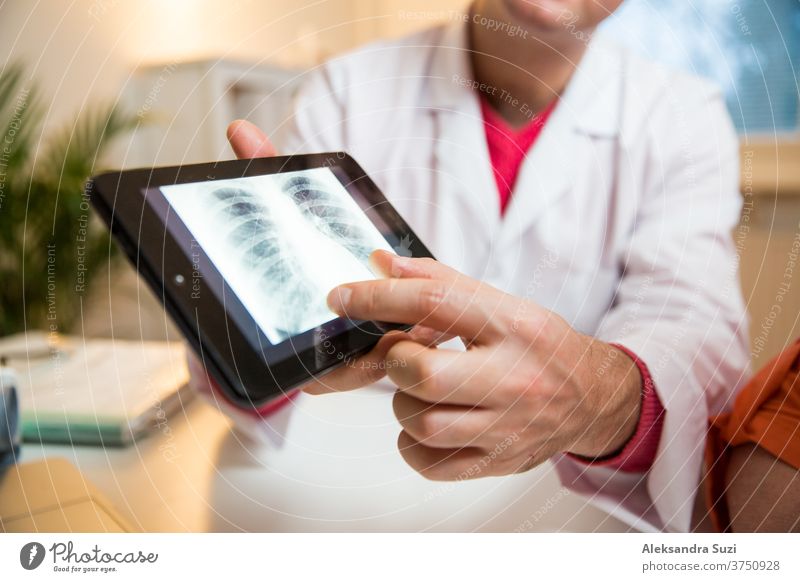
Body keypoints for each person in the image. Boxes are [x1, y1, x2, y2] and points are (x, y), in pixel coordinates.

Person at [198, 0, 750, 532]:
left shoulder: (685, 116)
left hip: (562, 501)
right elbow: (251, 349)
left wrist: (598, 400)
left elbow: (693, 326)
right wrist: (248, 308)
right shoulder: (348, 88)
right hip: (336, 481)